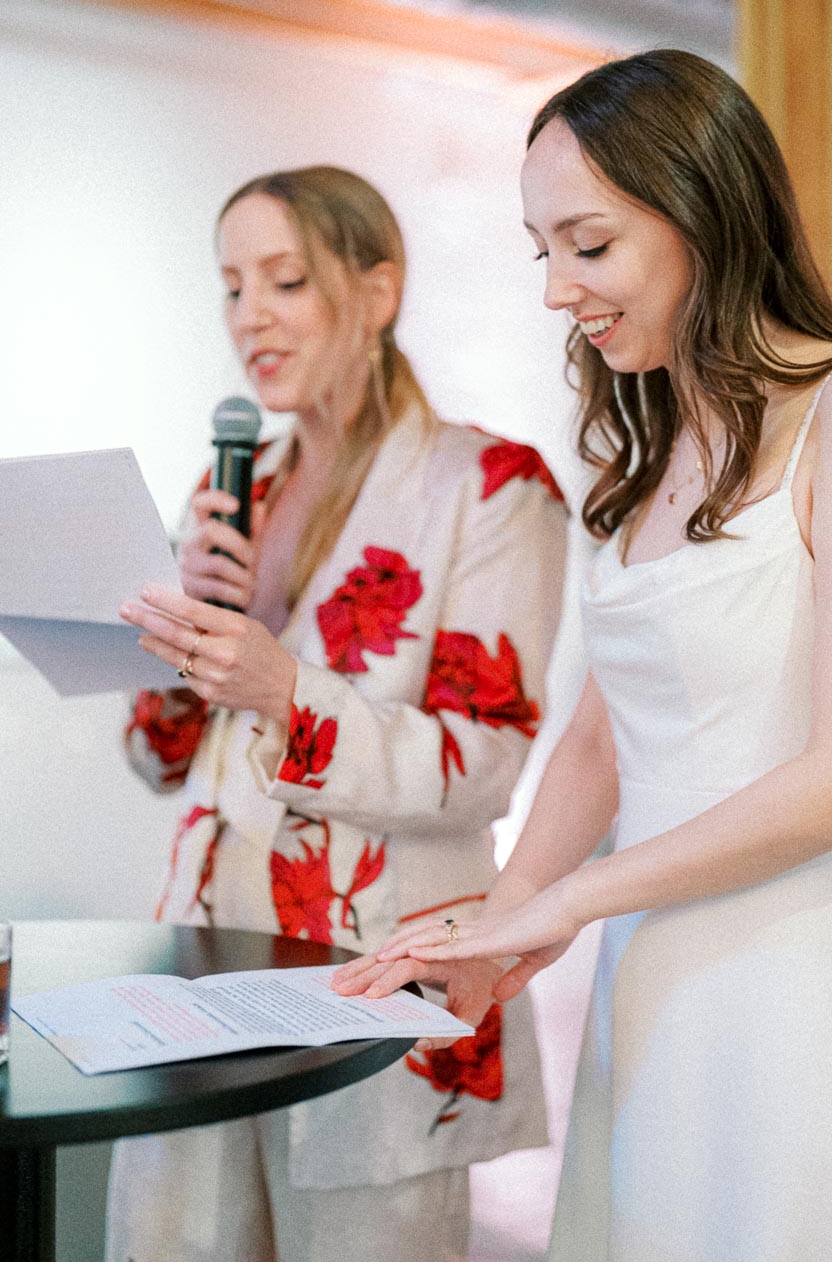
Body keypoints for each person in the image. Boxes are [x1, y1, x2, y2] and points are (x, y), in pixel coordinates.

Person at [333, 50, 832, 1260]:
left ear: (703, 210)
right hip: (655, 960)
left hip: (797, 959)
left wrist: (571, 905)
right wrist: (502, 926)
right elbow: (603, 730)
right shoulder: (637, 449)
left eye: (588, 247)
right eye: (544, 252)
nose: (558, 291)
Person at [108, 165, 568, 1262]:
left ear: (376, 293)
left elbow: (484, 764)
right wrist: (185, 643)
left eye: (285, 280)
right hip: (204, 967)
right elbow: (158, 756)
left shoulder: (493, 489)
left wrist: (285, 690)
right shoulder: (231, 492)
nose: (247, 316)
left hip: (378, 976)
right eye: (229, 287)